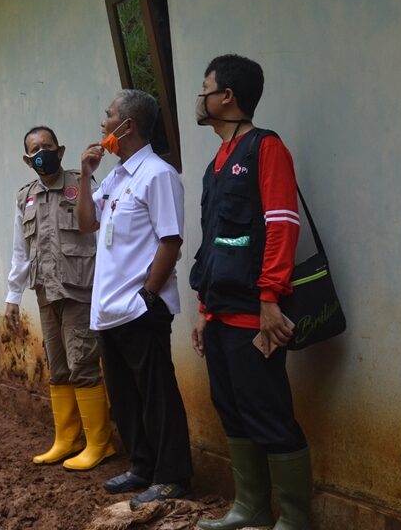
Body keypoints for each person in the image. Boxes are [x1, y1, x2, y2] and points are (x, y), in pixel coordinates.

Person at [189, 55, 312, 530]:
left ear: (228, 97)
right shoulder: (215, 163)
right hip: (220, 313)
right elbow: (215, 241)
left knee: (268, 411)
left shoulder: (267, 148)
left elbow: (283, 224)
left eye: (205, 88)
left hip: (254, 313)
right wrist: (202, 309)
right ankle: (251, 507)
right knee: (232, 409)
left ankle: (296, 519)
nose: (200, 98)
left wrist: (269, 297)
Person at [75, 90, 193, 508]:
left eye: (108, 116)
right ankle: (142, 465)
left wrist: (147, 296)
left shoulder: (158, 174)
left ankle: (172, 475)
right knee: (126, 396)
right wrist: (87, 174)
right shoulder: (117, 175)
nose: (102, 124)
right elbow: (87, 223)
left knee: (157, 393)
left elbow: (171, 240)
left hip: (140, 307)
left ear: (128, 126)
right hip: (109, 310)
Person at [6, 126, 117, 470]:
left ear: (61, 149)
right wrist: (13, 295)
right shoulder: (25, 197)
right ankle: (67, 439)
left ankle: (100, 443)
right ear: (28, 159)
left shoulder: (83, 184)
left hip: (81, 290)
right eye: (36, 149)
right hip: (46, 292)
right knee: (58, 367)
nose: (43, 152)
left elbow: (105, 232)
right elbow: (20, 250)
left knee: (82, 363)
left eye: (48, 146)